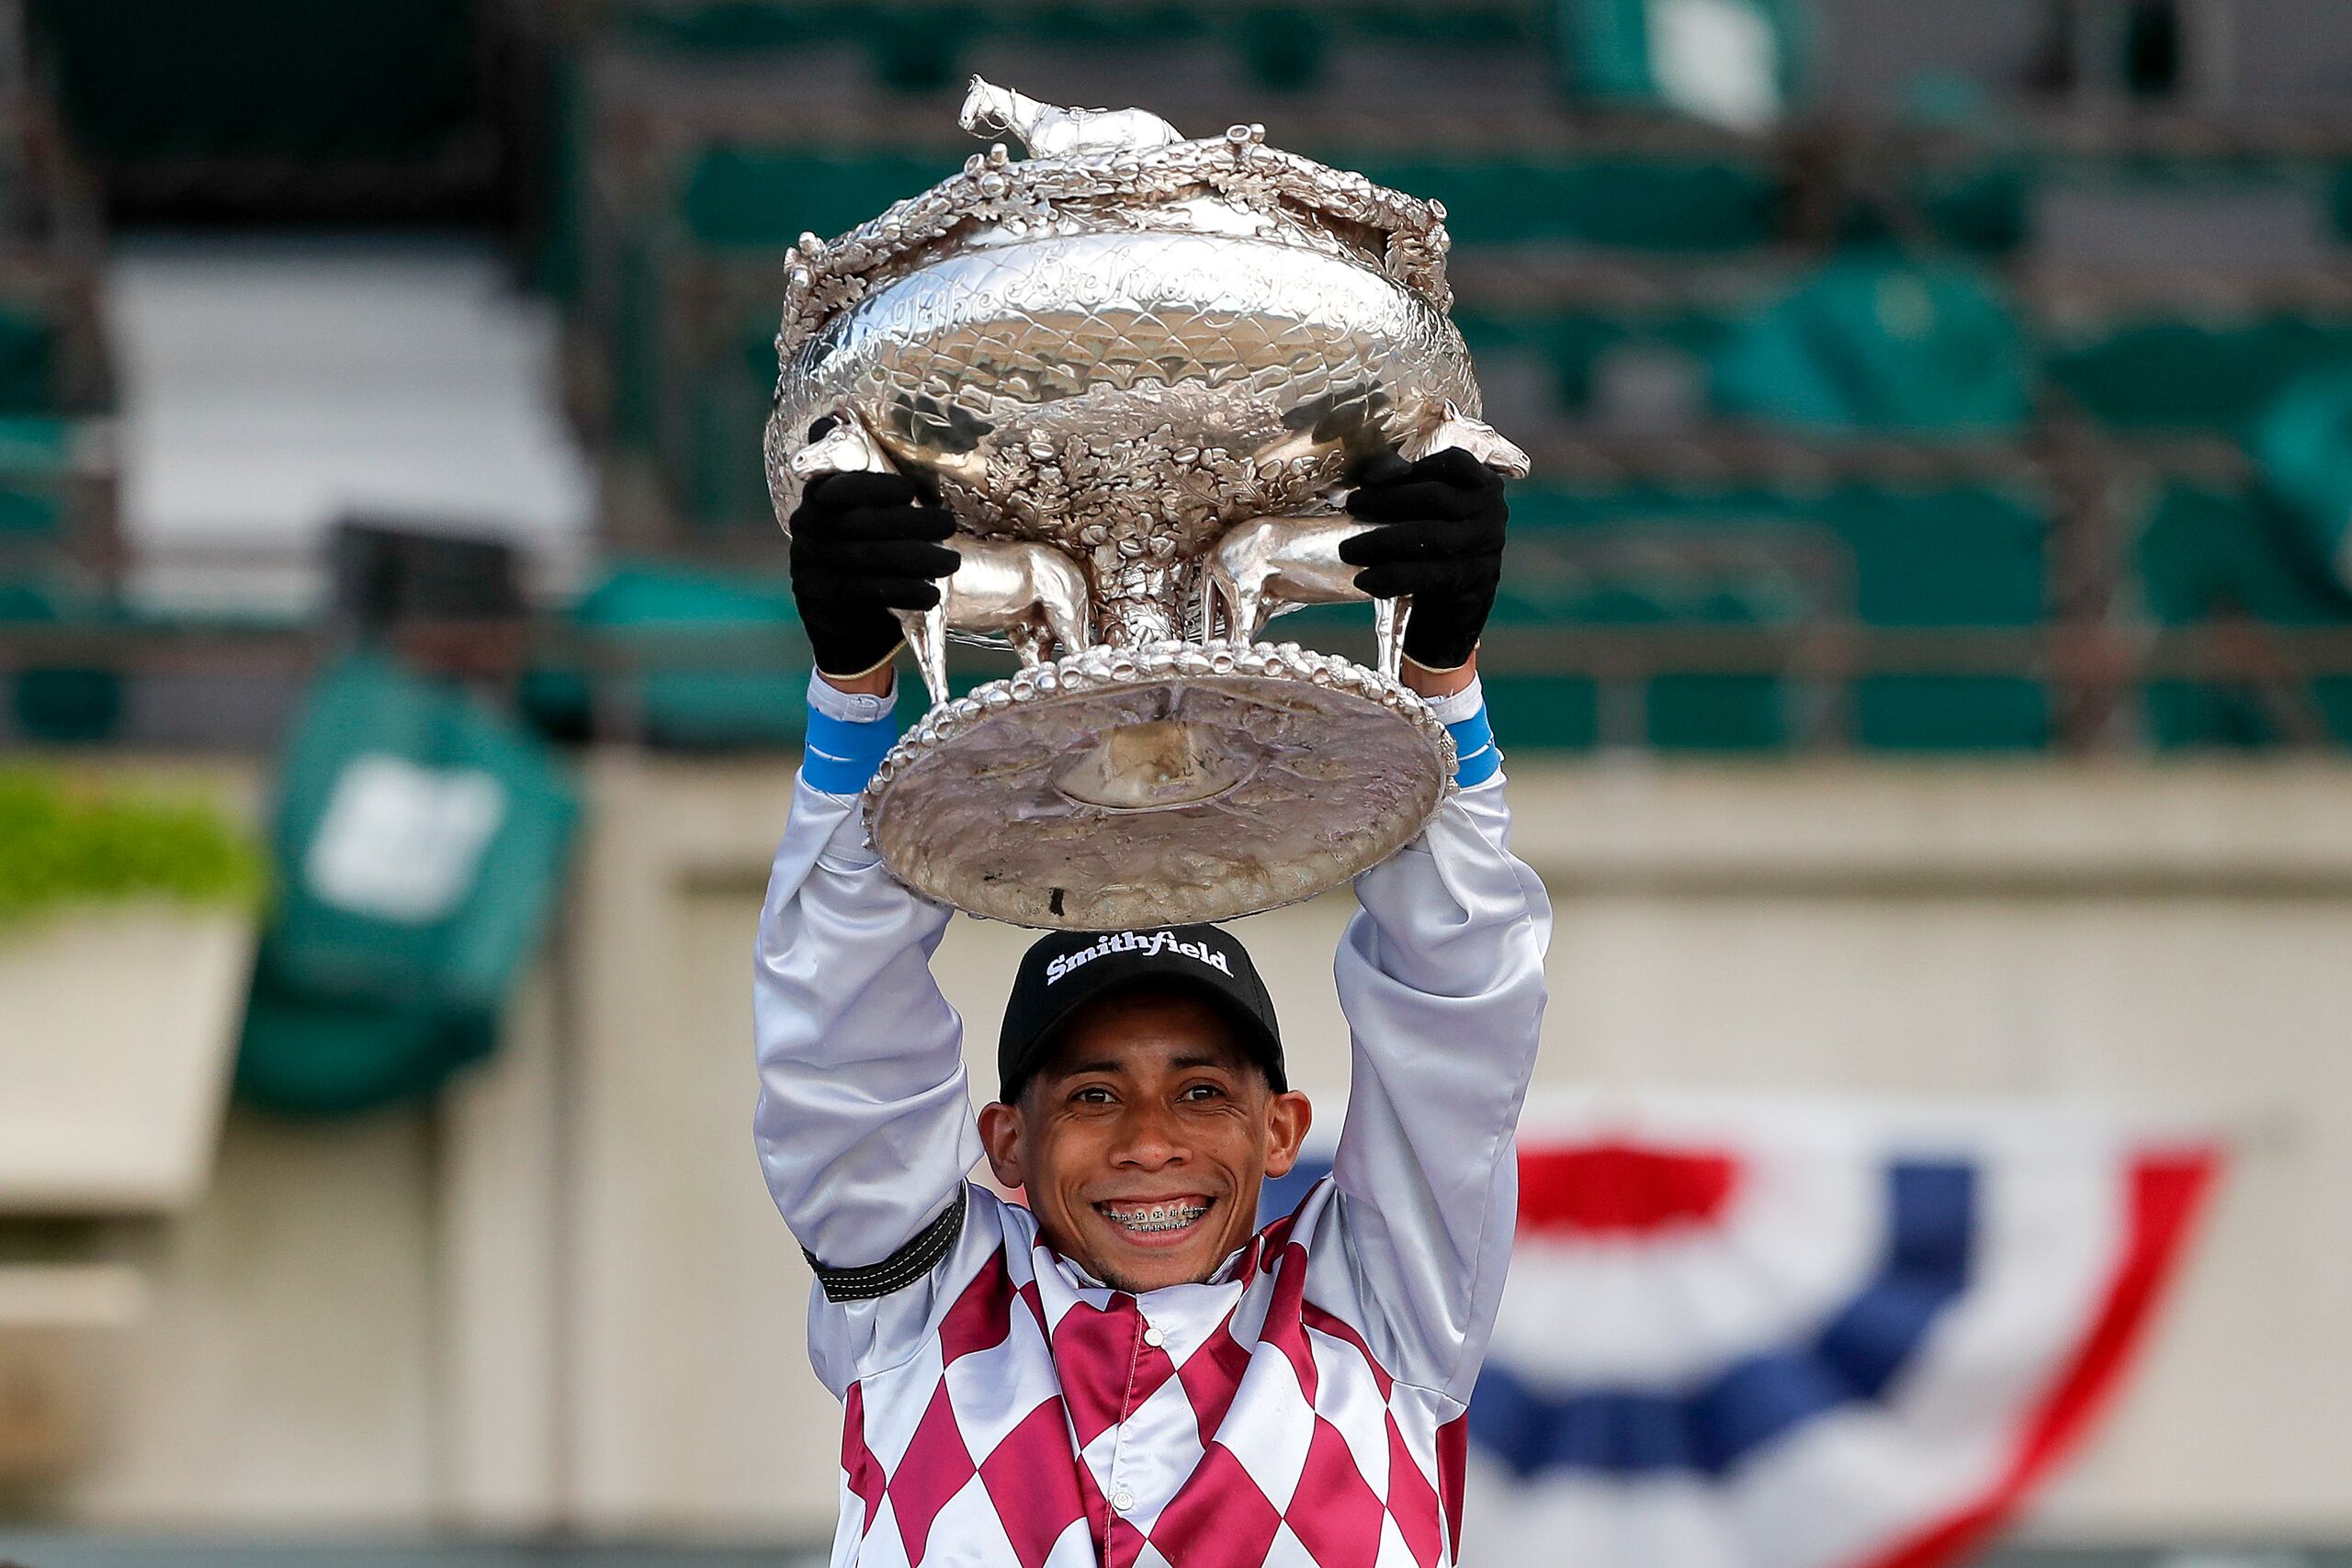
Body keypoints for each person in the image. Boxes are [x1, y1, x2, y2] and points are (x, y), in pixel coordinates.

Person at [756, 445, 1551, 1568]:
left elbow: (1460, 1015)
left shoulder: (1382, 1310)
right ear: (1005, 1141)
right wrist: (851, 689)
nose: (1149, 1144)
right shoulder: (926, 1308)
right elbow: (838, 1047)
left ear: (1282, 1128)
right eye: (1090, 1094)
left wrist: (1441, 677)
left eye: (1201, 1091)